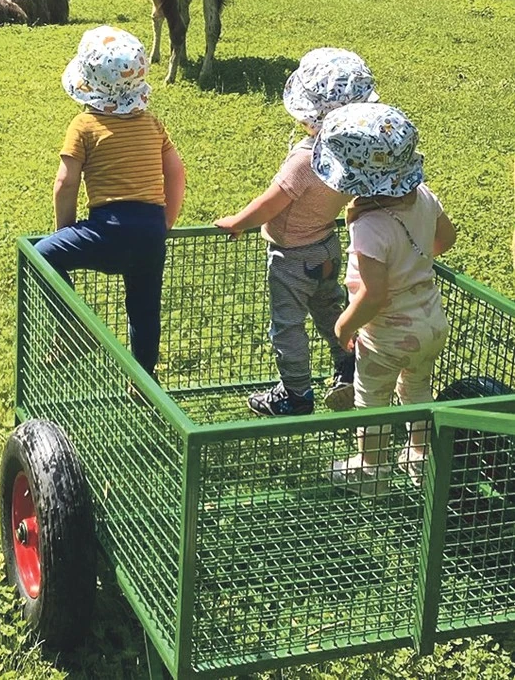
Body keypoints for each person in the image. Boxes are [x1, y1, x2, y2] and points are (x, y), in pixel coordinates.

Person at [215, 47, 379, 416]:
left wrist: (238, 222)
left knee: (287, 326)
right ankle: (348, 365)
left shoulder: (306, 159)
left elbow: (273, 201)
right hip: (326, 248)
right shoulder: (351, 155)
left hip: (292, 258)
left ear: (309, 114)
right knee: (328, 309)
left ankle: (296, 394)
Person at [311, 103, 458, 494]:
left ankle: (371, 471)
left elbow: (374, 294)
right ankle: (419, 459)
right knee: (417, 389)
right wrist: (414, 257)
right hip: (430, 323)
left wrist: (345, 324)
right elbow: (446, 239)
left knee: (371, 400)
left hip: (388, 336)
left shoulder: (372, 226)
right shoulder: (424, 196)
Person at [35, 26, 186, 376]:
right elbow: (177, 173)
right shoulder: (152, 125)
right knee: (144, 310)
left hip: (108, 230)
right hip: (150, 233)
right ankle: (143, 382)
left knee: (42, 257)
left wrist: (65, 231)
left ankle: (74, 328)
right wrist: (165, 222)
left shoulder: (84, 125)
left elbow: (65, 183)